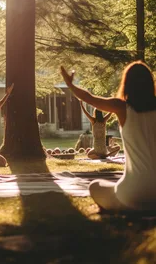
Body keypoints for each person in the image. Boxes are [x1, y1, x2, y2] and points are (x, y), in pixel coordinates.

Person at [61, 62, 156, 211]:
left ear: (128, 84)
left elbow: (89, 98)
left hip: (133, 192)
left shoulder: (121, 107)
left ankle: (131, 206)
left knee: (96, 186)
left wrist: (70, 85)